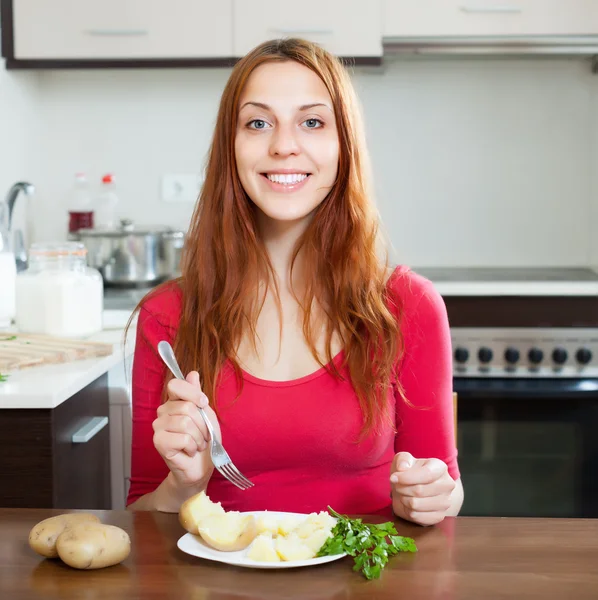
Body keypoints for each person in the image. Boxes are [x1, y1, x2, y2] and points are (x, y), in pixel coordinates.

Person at [126, 37, 463, 526]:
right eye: (258, 123)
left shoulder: (408, 305)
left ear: (343, 145)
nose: (284, 144)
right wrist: (182, 485)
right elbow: (139, 511)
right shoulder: (167, 316)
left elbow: (446, 491)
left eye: (312, 122)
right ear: (231, 147)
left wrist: (430, 499)